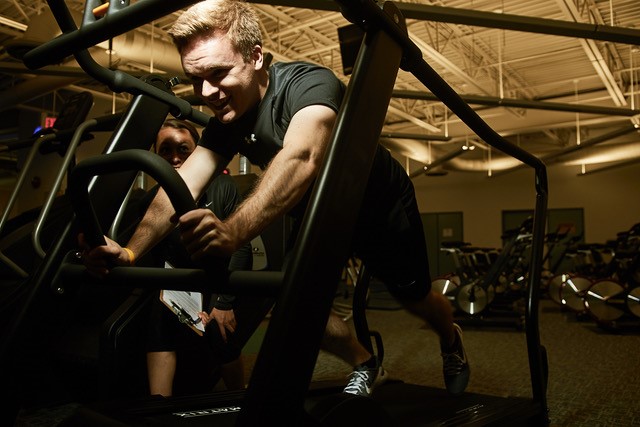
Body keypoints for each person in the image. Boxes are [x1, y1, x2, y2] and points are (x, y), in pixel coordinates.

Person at [81, 0, 469, 398]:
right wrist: (129, 252)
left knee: (416, 299)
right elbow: (182, 185)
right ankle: (368, 364)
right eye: (195, 78)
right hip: (321, 215)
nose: (206, 92)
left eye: (218, 73)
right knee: (297, 303)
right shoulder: (227, 120)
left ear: (256, 57)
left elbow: (301, 157)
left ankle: (450, 339)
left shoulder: (308, 83)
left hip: (379, 207)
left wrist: (231, 232)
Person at [136, 119, 272, 396]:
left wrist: (223, 302)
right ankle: (158, 407)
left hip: (217, 279)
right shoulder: (150, 200)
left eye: (183, 149)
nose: (175, 157)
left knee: (220, 335)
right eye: (166, 150)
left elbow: (241, 247)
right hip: (177, 281)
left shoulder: (222, 187)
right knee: (158, 327)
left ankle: (238, 396)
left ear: (196, 151)